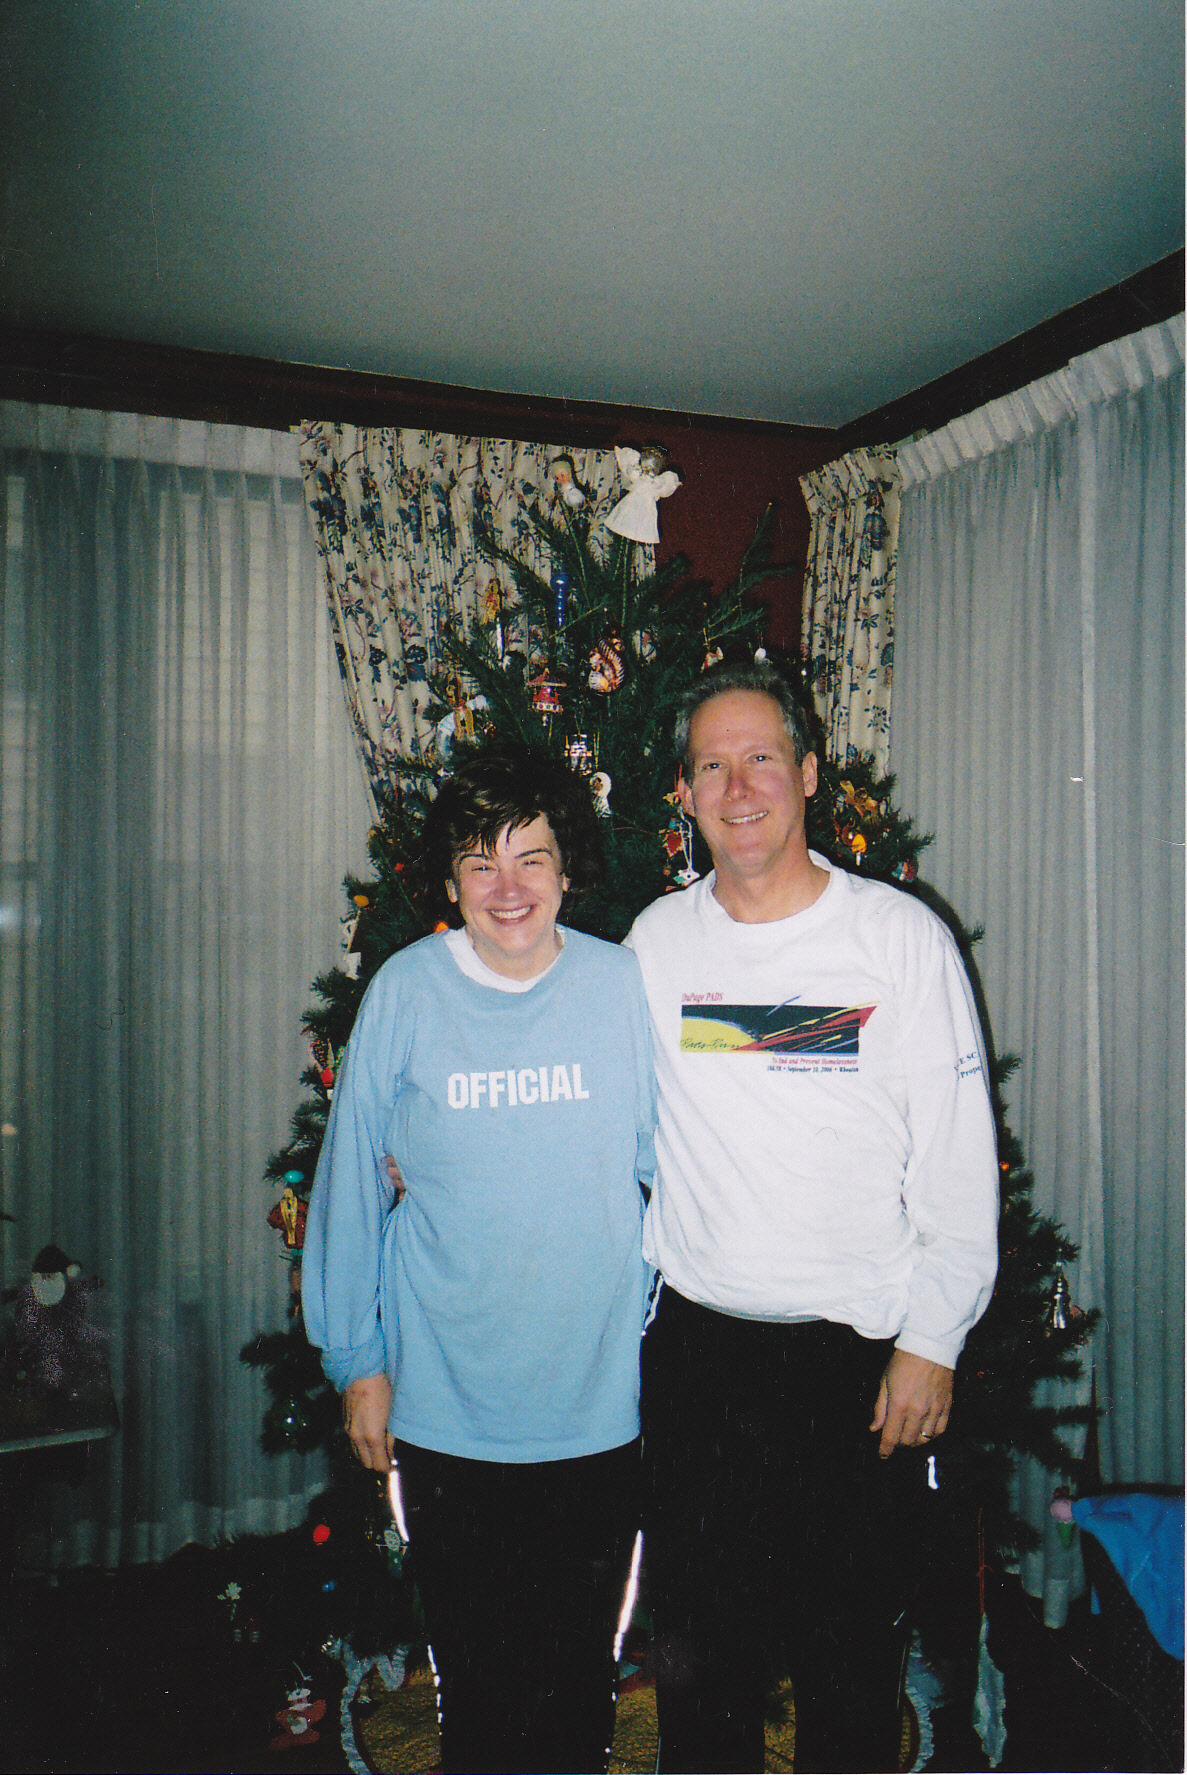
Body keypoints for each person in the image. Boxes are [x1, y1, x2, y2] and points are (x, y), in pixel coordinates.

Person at [623, 662, 999, 1774]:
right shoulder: (654, 944)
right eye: (711, 766)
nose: (737, 788)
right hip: (696, 1365)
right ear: (683, 793)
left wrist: (932, 1340)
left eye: (760, 758)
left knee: (848, 1684)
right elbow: (597, 1115)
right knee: (702, 1687)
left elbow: (956, 1157)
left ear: (808, 773)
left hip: (852, 1373)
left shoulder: (898, 939)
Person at [302, 745, 656, 1775]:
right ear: (451, 881)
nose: (508, 888)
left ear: (566, 869)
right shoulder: (407, 991)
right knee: (478, 1686)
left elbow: (673, 1164)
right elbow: (350, 1183)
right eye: (480, 862)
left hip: (595, 1407)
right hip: (446, 1409)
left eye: (531, 859)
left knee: (577, 1685)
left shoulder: (618, 984)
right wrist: (356, 1361)